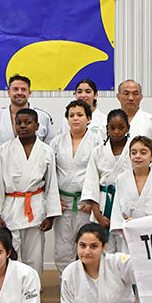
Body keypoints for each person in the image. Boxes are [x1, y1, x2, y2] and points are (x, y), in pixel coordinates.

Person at [0, 108, 61, 278]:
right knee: (11, 252)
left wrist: (51, 215)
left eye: (28, 123)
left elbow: (51, 184)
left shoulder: (45, 150)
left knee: (35, 255)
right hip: (10, 208)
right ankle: (12, 287)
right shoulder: (4, 149)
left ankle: (32, 288)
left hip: (35, 207)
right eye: (18, 123)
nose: (23, 126)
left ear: (37, 125)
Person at [51, 101, 101, 273]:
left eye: (80, 115)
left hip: (85, 203)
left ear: (88, 119)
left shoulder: (97, 142)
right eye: (71, 115)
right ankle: (65, 292)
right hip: (63, 203)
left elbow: (98, 173)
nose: (75, 119)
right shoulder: (57, 142)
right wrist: (54, 198)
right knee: (62, 250)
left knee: (87, 247)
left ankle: (86, 288)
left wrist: (91, 199)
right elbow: (50, 174)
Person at [80, 110, 132, 253]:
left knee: (126, 250)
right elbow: (91, 183)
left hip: (126, 203)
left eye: (121, 127)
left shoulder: (134, 151)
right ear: (106, 128)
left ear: (128, 127)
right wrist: (97, 215)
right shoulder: (98, 151)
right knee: (104, 249)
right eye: (112, 128)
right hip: (103, 203)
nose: (116, 132)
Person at [109, 136, 152, 254]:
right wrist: (125, 227)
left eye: (143, 152)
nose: (137, 156)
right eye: (134, 152)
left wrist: (143, 226)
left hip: (151, 235)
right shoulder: (121, 179)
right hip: (127, 235)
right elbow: (116, 209)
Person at [0, 74, 57, 148]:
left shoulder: (43, 117)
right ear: (9, 93)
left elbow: (50, 147)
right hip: (2, 159)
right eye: (15, 89)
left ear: (29, 93)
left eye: (23, 89)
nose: (19, 93)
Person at [116, 80, 152, 146]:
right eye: (126, 93)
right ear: (118, 97)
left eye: (135, 94)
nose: (131, 98)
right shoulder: (107, 122)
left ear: (141, 97)